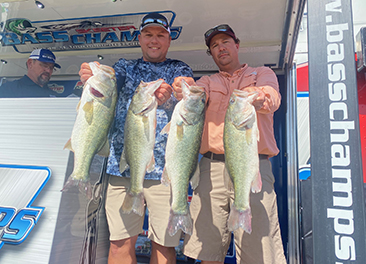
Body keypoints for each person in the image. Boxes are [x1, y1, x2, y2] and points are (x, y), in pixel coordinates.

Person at [79, 12, 193, 264]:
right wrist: (92, 74)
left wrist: (176, 92)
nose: (154, 40)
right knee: (119, 244)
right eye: (149, 35)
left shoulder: (178, 68)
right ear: (140, 39)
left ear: (169, 40)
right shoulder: (124, 66)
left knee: (164, 248)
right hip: (122, 169)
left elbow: (185, 86)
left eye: (160, 35)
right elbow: (109, 78)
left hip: (165, 173)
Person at [172, 24, 287, 264]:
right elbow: (194, 94)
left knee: (259, 249)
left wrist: (257, 96)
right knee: (208, 247)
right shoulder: (207, 81)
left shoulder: (262, 72)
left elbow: (273, 98)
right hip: (211, 169)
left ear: (237, 45)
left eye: (225, 42)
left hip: (252, 164)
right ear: (211, 54)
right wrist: (183, 88)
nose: (220, 48)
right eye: (214, 46)